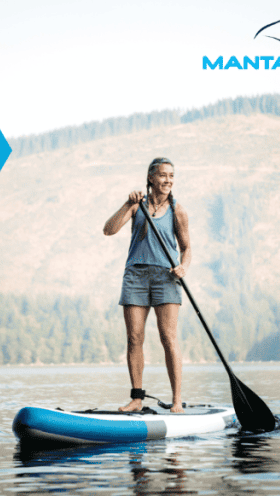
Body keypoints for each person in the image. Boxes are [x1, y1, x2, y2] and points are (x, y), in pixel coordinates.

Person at [102, 157, 191, 413]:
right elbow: (108, 230)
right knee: (134, 338)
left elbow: (186, 249)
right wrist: (127, 203)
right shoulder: (136, 205)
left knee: (168, 338)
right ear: (151, 178)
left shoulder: (178, 211)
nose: (168, 180)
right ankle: (137, 399)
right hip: (136, 276)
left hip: (166, 277)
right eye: (163, 175)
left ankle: (176, 402)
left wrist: (183, 266)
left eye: (171, 176)